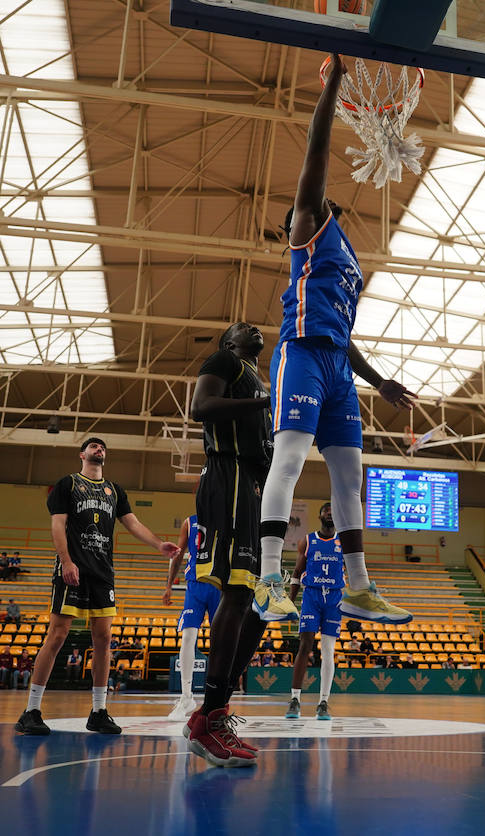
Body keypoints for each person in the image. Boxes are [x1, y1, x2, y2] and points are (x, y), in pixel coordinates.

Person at [254, 54, 417, 630]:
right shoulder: (306, 230)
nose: (314, 196)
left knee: (351, 477)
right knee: (292, 458)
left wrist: (379, 381)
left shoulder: (346, 255)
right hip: (300, 357)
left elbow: (344, 336)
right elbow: (316, 154)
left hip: (337, 368)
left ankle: (360, 587)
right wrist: (338, 86)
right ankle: (270, 579)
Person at [15, 437, 178, 737]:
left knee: (104, 639)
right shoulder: (67, 484)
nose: (98, 449)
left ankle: (99, 711)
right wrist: (65, 561)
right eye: (93, 446)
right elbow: (57, 524)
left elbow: (132, 523)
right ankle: (31, 710)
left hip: (103, 573)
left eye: (102, 447)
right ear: (82, 454)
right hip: (73, 568)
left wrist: (159, 545)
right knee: (58, 634)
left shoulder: (114, 491)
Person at [182, 323, 276, 767]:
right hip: (228, 476)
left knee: (258, 604)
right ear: (229, 341)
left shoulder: (261, 378)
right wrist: (262, 402)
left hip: (254, 483)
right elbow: (199, 407)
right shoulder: (227, 362)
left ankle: (212, 712)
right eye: (240, 327)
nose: (251, 326)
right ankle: (210, 719)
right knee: (238, 593)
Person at [285, 503, 343, 721]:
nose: (330, 512)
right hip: (312, 595)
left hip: (335, 598)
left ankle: (323, 702)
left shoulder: (344, 541)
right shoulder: (308, 540)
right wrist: (290, 601)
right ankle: (295, 699)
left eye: (333, 510)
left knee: (328, 650)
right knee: (305, 645)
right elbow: (297, 572)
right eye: (327, 510)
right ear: (320, 515)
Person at [164, 514, 223, 720]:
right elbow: (179, 555)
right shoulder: (189, 522)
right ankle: (186, 696)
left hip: (219, 584)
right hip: (195, 585)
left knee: (221, 642)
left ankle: (218, 698)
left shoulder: (227, 516)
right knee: (188, 637)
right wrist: (169, 585)